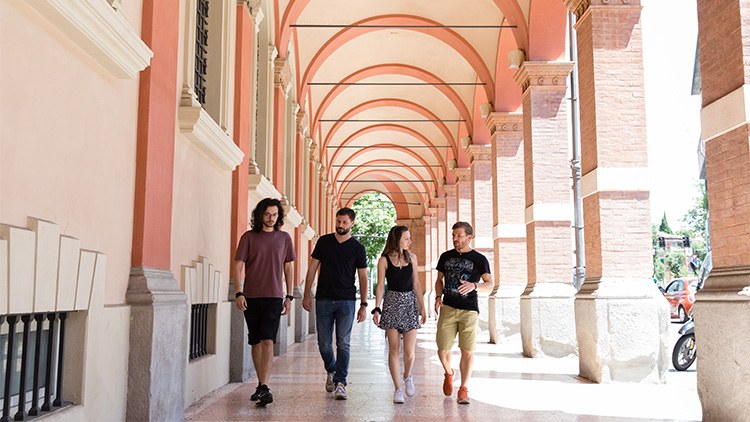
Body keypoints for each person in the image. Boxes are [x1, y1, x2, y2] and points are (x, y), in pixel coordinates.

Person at [233, 198, 296, 407]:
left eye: (275, 215)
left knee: (268, 340)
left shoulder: (284, 238)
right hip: (251, 296)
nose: (271, 218)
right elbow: (238, 265)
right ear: (260, 215)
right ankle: (261, 385)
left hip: (274, 296)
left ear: (279, 217)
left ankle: (264, 385)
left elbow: (288, 268)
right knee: (256, 340)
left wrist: (289, 296)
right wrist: (238, 292)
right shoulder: (248, 238)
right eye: (268, 214)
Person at [302, 207, 369, 400]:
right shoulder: (324, 242)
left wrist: (364, 304)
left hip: (346, 300)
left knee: (343, 343)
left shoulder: (358, 248)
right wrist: (306, 294)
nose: (340, 225)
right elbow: (312, 269)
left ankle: (341, 382)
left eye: (344, 222)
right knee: (323, 344)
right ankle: (331, 369)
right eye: (338, 221)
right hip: (323, 298)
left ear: (352, 224)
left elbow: (363, 278)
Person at [434, 221, 495, 404]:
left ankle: (463, 389)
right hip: (448, 307)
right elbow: (439, 280)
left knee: (467, 351)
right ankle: (449, 372)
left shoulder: (479, 259)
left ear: (470, 237)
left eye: (459, 235)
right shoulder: (445, 257)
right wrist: (438, 296)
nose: (455, 239)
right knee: (443, 349)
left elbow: (490, 285)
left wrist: (474, 285)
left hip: (469, 310)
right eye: (453, 235)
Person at [372, 225, 426, 404]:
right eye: (406, 238)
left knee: (409, 352)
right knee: (394, 349)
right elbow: (380, 286)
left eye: (409, 238)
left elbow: (416, 284)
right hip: (392, 304)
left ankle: (407, 376)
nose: (409, 241)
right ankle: (397, 389)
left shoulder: (412, 258)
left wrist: (422, 307)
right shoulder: (384, 260)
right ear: (397, 240)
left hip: (409, 304)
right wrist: (377, 308)